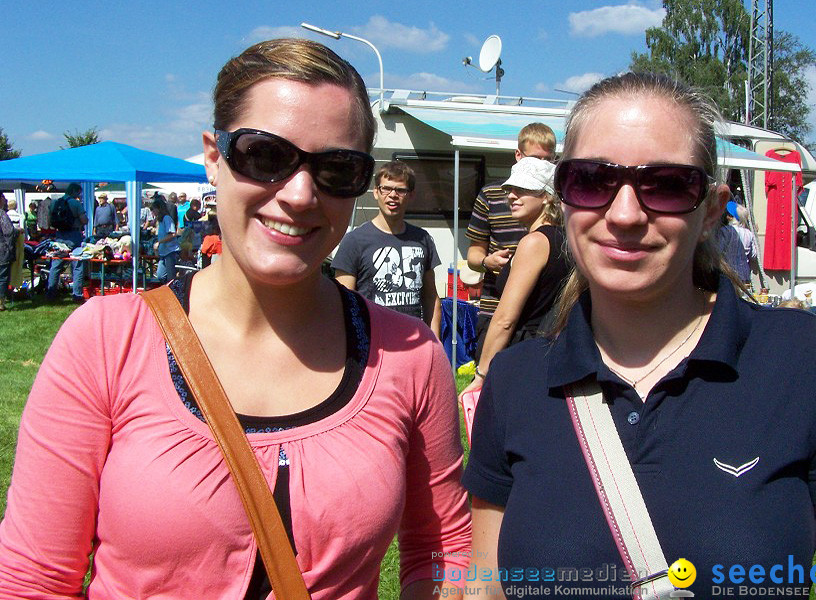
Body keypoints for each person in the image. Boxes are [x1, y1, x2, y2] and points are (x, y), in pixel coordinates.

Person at [0, 38, 470, 599]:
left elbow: (444, 549)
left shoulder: (411, 355)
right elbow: (32, 579)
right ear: (213, 156)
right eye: (266, 156)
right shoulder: (106, 341)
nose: (299, 194)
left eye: (336, 169)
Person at [462, 72, 816, 599]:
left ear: (712, 208)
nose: (624, 215)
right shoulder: (515, 381)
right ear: (565, 198)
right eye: (592, 180)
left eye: (667, 185)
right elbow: (485, 588)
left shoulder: (806, 361)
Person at [461, 157, 567, 393]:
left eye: (522, 189)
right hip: (552, 352)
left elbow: (505, 319)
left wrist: (482, 373)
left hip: (525, 356)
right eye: (510, 189)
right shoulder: (564, 239)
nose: (510, 195)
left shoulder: (535, 242)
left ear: (547, 195)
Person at [466, 123, 557, 360]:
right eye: (535, 159)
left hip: (537, 317)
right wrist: (488, 262)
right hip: (495, 307)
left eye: (549, 161)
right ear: (518, 155)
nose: (543, 167)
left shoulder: (557, 203)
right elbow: (473, 255)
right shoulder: (492, 195)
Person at [332, 160, 442, 338]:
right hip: (372, 342)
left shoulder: (423, 239)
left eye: (400, 190)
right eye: (386, 189)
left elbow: (430, 297)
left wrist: (434, 340)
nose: (393, 195)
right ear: (376, 192)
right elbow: (343, 303)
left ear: (411, 195)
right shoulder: (354, 241)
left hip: (414, 340)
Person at [45, 182, 88, 303]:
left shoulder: (55, 202)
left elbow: (49, 221)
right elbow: (84, 220)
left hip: (59, 236)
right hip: (74, 235)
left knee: (56, 265)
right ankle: (77, 294)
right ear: (74, 191)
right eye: (78, 192)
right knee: (77, 265)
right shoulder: (76, 203)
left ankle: (51, 292)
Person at [151, 196, 179, 282]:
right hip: (163, 252)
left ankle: (173, 292)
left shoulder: (167, 218)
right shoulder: (160, 220)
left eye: (153, 209)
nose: (153, 212)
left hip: (170, 251)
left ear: (159, 209)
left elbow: (173, 234)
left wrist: (159, 242)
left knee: (171, 277)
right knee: (160, 275)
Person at [0, 194, 18, 311]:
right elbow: (9, 232)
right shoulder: (1, 214)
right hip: (2, 250)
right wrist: (18, 231)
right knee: (2, 277)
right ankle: (0, 303)